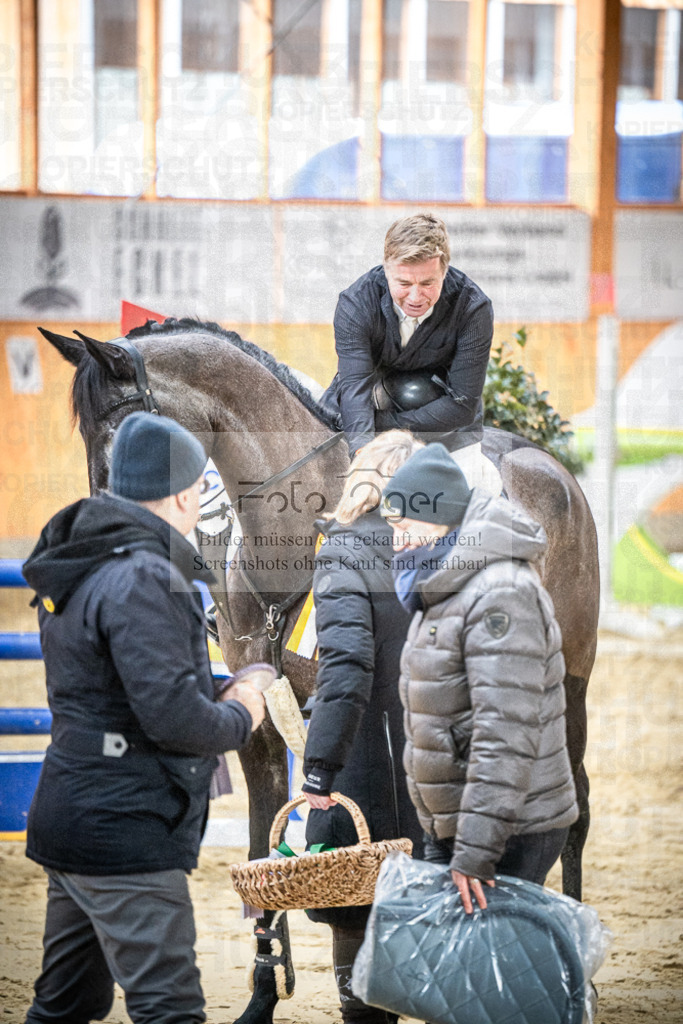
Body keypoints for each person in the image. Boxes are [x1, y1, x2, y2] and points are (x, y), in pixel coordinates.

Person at [21, 412, 266, 1024]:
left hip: (73, 815)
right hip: (127, 831)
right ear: (183, 495)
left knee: (67, 1004)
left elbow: (117, 684)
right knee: (169, 1010)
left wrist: (218, 685)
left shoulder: (83, 560)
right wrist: (244, 711)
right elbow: (177, 723)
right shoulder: (148, 575)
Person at [381, 443, 578, 915]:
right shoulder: (442, 582)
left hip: (508, 829)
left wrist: (475, 849)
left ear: (440, 517)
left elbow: (504, 735)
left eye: (404, 527)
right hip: (460, 821)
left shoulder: (500, 591)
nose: (397, 543)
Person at [301, 430, 425, 1024]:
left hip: (368, 769)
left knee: (356, 910)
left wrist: (319, 767)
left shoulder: (343, 551)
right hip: (440, 770)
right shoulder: (450, 546)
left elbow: (346, 668)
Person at [323, 212, 501, 494]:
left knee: (468, 503)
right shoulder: (355, 305)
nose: (416, 298)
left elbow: (463, 403)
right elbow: (355, 386)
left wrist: (388, 427)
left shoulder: (473, 309)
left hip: (448, 432)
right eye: (404, 284)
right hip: (362, 420)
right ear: (386, 270)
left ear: (444, 270)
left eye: (428, 283)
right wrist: (364, 455)